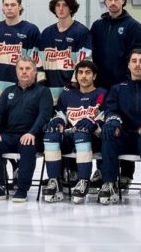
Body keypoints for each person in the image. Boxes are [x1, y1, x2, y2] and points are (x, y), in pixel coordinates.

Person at [0, 56, 53, 202]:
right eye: (21, 69)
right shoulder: (8, 91)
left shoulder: (43, 91)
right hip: (8, 135)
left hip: (32, 136)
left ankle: (22, 189)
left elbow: (44, 116)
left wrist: (32, 132)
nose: (24, 72)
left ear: (35, 71)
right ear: (16, 72)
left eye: (28, 68)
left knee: (27, 144)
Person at [97, 49, 141, 205]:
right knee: (108, 134)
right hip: (125, 136)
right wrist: (114, 121)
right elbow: (111, 109)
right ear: (128, 65)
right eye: (134, 61)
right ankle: (109, 183)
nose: (137, 65)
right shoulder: (118, 88)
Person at [42, 59, 106, 203]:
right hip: (70, 136)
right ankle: (54, 181)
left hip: (93, 138)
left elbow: (105, 116)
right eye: (80, 73)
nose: (84, 76)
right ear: (76, 76)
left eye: (88, 73)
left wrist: (94, 123)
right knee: (50, 135)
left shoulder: (101, 93)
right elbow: (61, 115)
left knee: (81, 133)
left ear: (94, 76)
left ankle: (83, 181)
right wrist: (57, 121)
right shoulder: (67, 95)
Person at [0, 0, 41, 101]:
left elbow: (34, 64)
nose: (9, 8)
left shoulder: (31, 30)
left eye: (13, 5)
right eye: (6, 5)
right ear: (2, 7)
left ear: (20, 7)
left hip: (20, 90)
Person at [38, 0, 92, 99]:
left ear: (71, 8)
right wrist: (41, 81)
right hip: (49, 93)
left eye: (65, 5)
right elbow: (38, 60)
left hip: (73, 93)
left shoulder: (82, 32)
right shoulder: (46, 33)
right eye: (58, 5)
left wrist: (74, 83)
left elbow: (85, 61)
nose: (61, 8)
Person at [88, 0, 141, 90]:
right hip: (99, 84)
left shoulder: (133, 26)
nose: (113, 2)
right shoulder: (97, 25)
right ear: (105, 2)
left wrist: (128, 82)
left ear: (123, 0)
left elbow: (134, 57)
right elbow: (90, 53)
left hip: (123, 84)